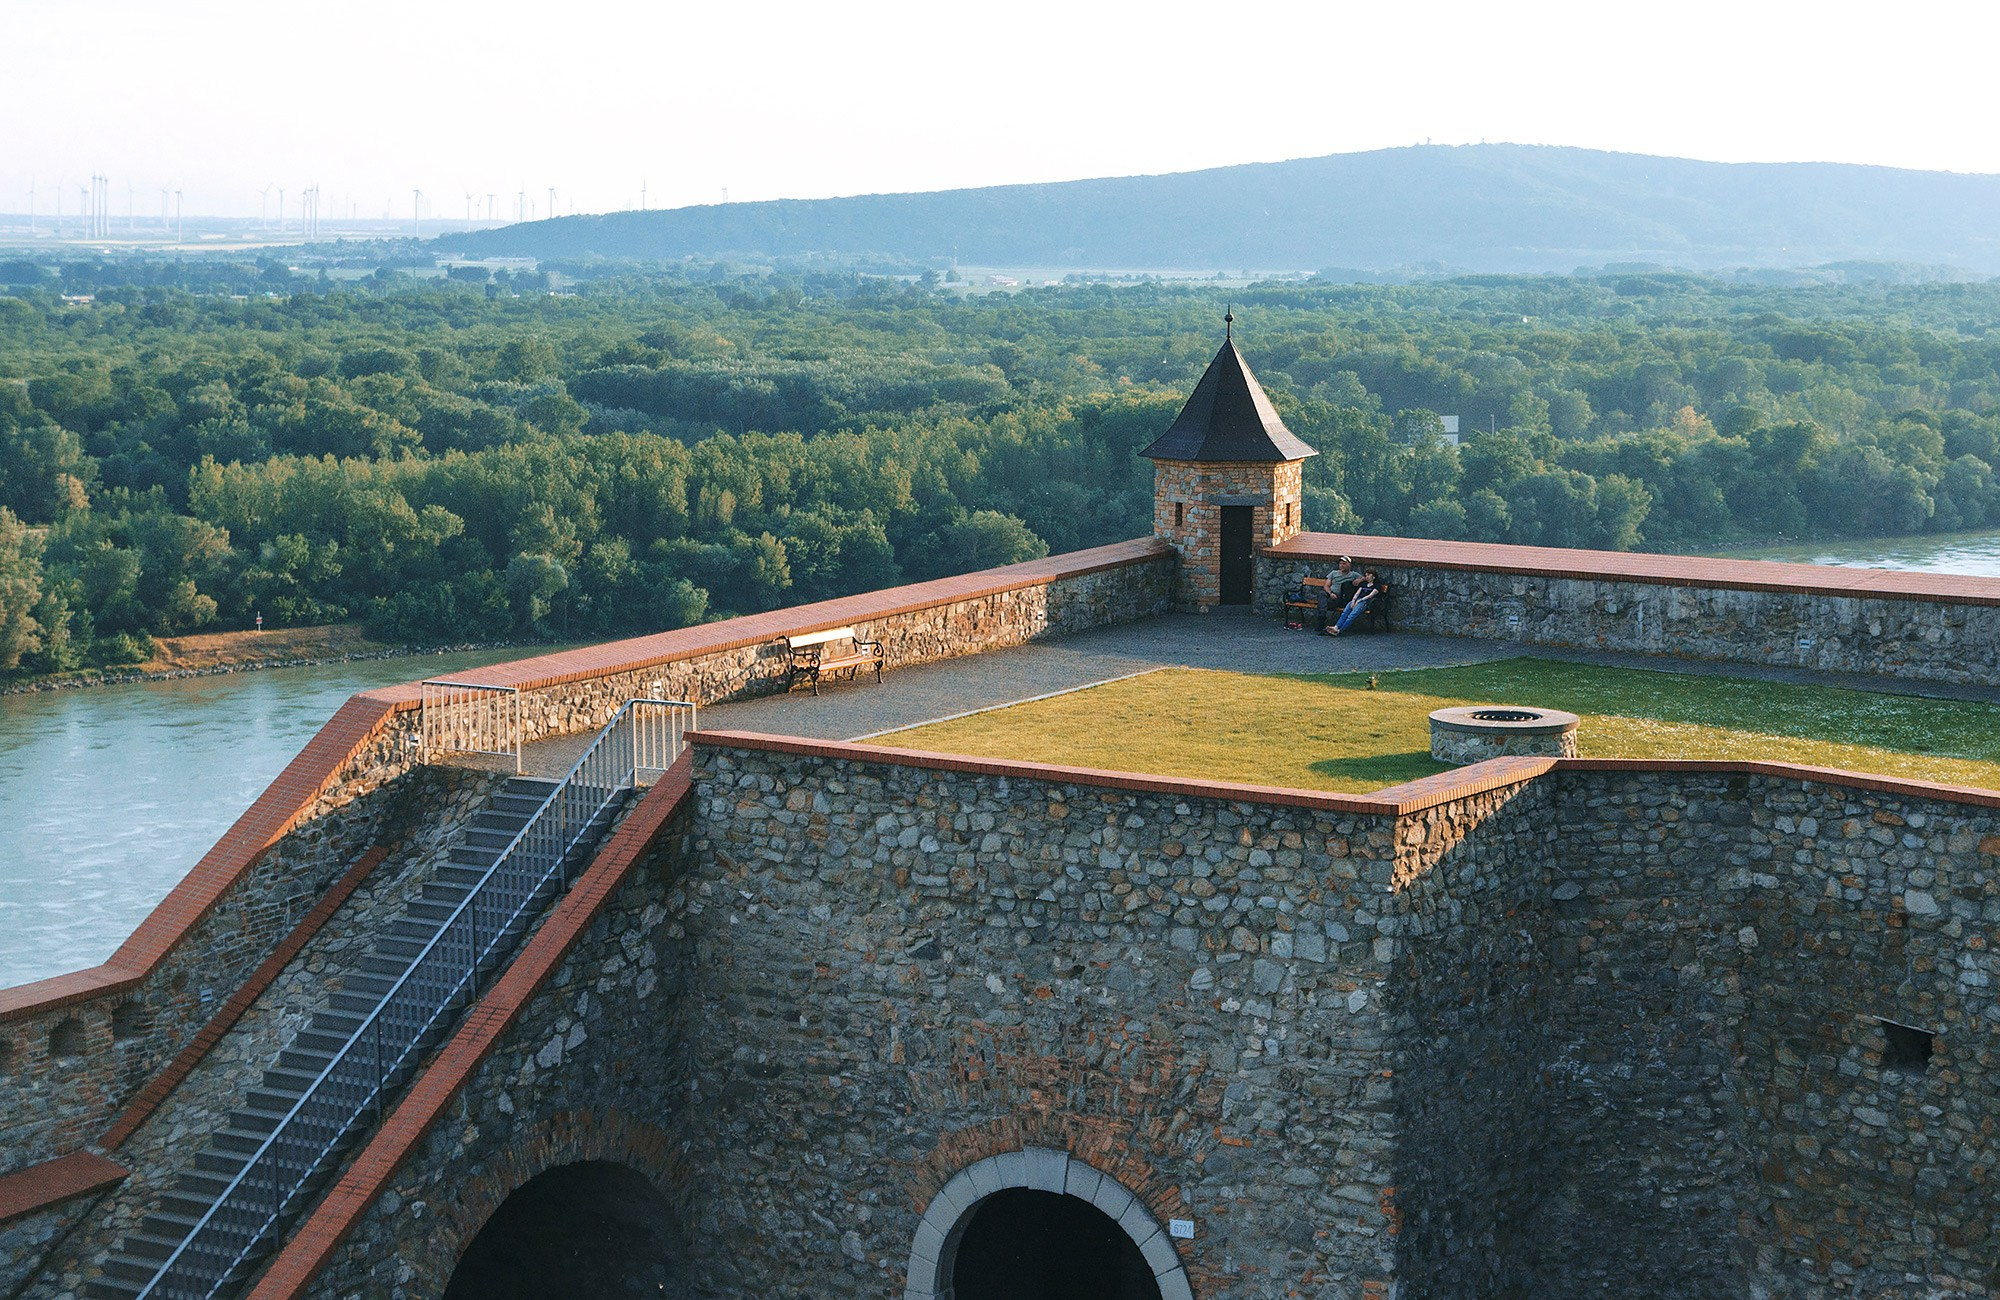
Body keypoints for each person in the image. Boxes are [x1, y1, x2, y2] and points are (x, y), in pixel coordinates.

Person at [1327, 569, 1387, 636]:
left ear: (1373, 577)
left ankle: (1340, 630)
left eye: (1369, 575)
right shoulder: (1364, 584)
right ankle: (1336, 627)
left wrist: (1359, 600)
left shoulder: (1376, 586)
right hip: (1356, 600)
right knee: (1345, 613)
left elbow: (1370, 596)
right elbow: (1357, 593)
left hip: (1364, 602)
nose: (1367, 577)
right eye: (1366, 575)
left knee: (1352, 615)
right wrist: (1353, 600)